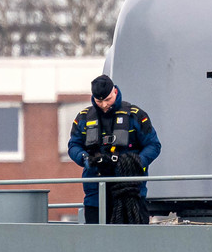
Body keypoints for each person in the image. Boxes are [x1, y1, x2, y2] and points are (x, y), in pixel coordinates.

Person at [67, 74, 162, 224]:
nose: (104, 105)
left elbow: (153, 145)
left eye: (107, 100)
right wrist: (86, 159)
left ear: (115, 92)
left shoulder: (136, 116)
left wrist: (136, 163)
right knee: (96, 238)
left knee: (135, 238)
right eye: (99, 101)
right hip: (95, 192)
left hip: (131, 192)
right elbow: (73, 146)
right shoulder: (83, 118)